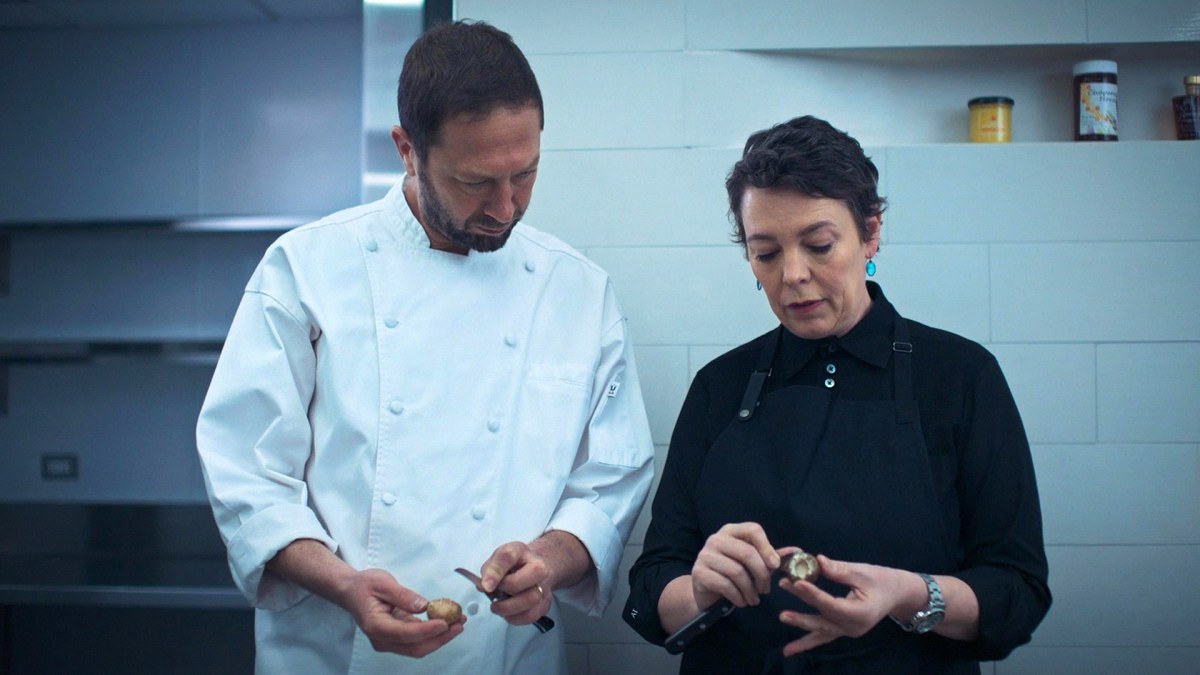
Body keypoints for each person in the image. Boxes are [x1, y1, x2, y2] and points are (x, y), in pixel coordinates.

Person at [196, 20, 654, 674]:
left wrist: (549, 561)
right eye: (476, 182)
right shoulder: (306, 269)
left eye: (525, 175)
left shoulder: (577, 290)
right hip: (333, 654)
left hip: (506, 656)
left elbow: (612, 475)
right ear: (407, 150)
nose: (505, 206)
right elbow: (246, 469)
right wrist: (347, 585)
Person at [624, 115, 1050, 673]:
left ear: (870, 232)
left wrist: (908, 594)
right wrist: (702, 588)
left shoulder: (960, 376)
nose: (793, 275)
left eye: (819, 245)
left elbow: (1016, 591)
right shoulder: (719, 386)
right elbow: (655, 582)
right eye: (767, 253)